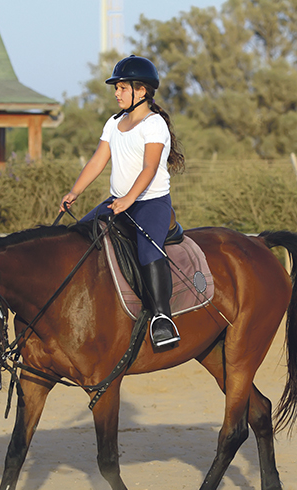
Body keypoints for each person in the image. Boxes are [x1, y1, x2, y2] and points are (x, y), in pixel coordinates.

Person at [60, 55, 185, 348]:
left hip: (149, 203)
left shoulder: (154, 125)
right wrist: (74, 191)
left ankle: (162, 319)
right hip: (118, 201)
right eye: (116, 87)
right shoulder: (114, 123)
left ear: (141, 91)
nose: (116, 92)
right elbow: (98, 160)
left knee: (147, 251)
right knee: (78, 236)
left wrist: (130, 199)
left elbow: (150, 168)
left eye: (122, 87)